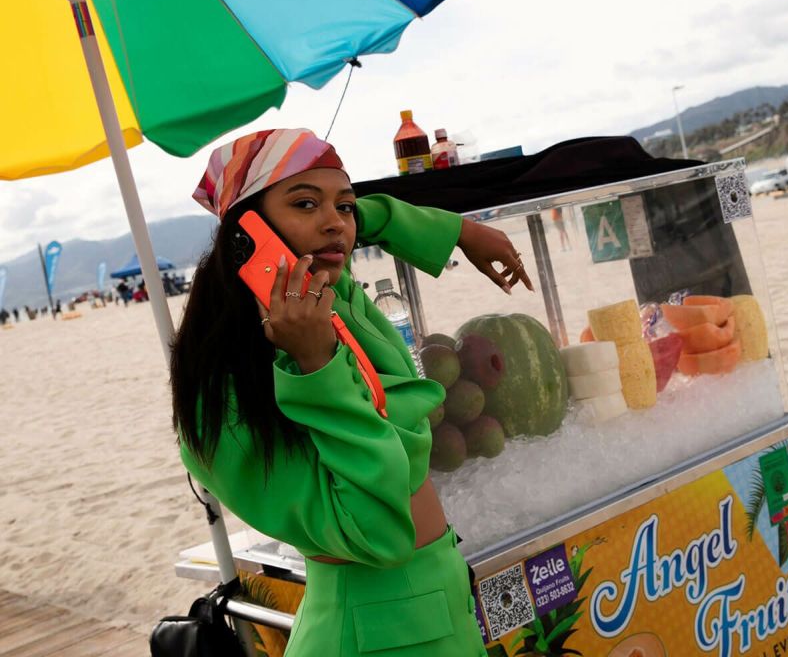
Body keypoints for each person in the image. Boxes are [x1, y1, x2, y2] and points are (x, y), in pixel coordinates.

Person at [171, 128, 533, 657]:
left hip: (440, 598)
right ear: (248, 234)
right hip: (375, 634)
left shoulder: (327, 290)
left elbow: (367, 216)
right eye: (305, 203)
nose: (336, 224)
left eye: (343, 207)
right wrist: (316, 366)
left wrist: (459, 231)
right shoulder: (223, 398)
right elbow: (377, 532)